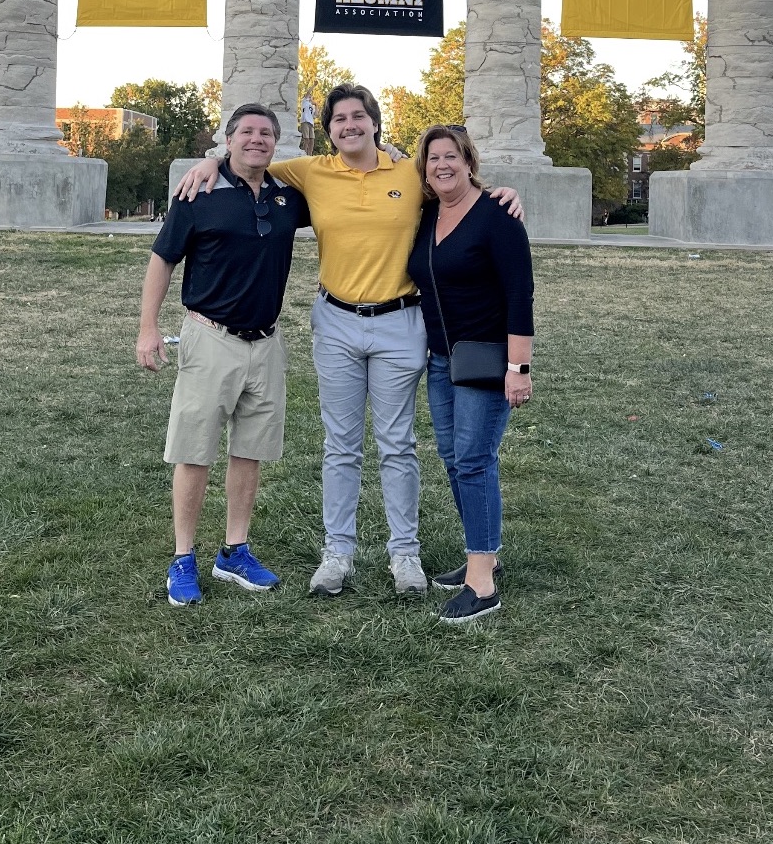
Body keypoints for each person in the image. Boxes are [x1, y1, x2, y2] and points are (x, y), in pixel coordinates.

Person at [177, 85, 522, 598]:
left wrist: (504, 193)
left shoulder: (409, 172)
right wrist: (211, 161)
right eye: (339, 119)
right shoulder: (310, 171)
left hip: (400, 322)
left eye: (358, 116)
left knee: (397, 444)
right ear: (330, 129)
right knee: (340, 445)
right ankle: (336, 554)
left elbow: (457, 188)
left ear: (375, 123)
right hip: (336, 321)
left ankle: (404, 555)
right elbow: (249, 162)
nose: (349, 125)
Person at [137, 103, 310, 607]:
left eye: (266, 133)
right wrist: (148, 328)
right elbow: (162, 260)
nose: (257, 140)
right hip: (210, 336)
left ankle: (235, 550)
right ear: (228, 140)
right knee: (194, 451)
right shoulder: (198, 192)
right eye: (246, 132)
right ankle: (182, 557)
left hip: (267, 341)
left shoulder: (288, 196)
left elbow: (350, 181)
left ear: (275, 143)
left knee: (249, 450)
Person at [406, 124, 534, 624]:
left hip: (487, 360)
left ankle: (482, 585)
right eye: (433, 158)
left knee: (475, 460)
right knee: (454, 459)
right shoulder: (427, 213)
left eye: (451, 156)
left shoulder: (497, 214)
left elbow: (519, 294)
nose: (442, 165)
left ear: (468, 161)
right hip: (442, 360)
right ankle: (485, 555)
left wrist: (518, 368)